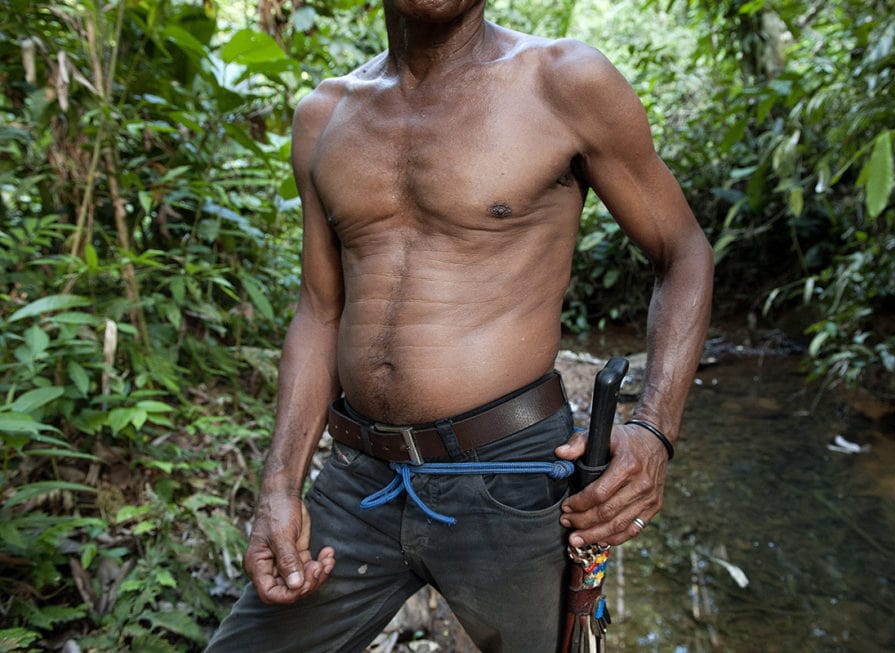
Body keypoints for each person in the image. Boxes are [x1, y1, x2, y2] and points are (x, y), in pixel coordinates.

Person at [205, 0, 713, 651]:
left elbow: (683, 252)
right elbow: (318, 309)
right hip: (359, 476)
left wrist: (653, 430)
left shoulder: (563, 82)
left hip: (516, 479)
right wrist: (278, 486)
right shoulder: (325, 115)